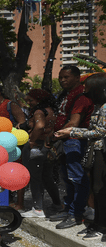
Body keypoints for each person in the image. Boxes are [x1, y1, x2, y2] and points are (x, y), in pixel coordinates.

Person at [54, 74, 106, 240]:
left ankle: (102, 226)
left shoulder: (105, 108)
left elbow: (100, 132)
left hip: (101, 152)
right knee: (95, 188)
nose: (85, 93)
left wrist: (72, 131)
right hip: (95, 151)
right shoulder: (99, 106)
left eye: (88, 90)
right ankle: (97, 223)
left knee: (99, 189)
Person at [49, 65, 95, 229]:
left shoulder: (81, 97)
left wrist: (53, 138)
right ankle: (68, 208)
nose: (62, 80)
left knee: (77, 178)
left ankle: (76, 214)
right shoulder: (68, 95)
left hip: (75, 140)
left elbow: (73, 123)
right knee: (67, 178)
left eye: (66, 77)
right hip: (65, 140)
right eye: (61, 77)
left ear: (77, 77)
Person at [21, 89, 63, 218]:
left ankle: (38, 209)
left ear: (39, 100)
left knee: (35, 178)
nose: (28, 103)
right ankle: (57, 204)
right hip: (49, 146)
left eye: (31, 100)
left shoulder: (39, 112)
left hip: (38, 145)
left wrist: (31, 141)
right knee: (47, 177)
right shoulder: (51, 110)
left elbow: (39, 126)